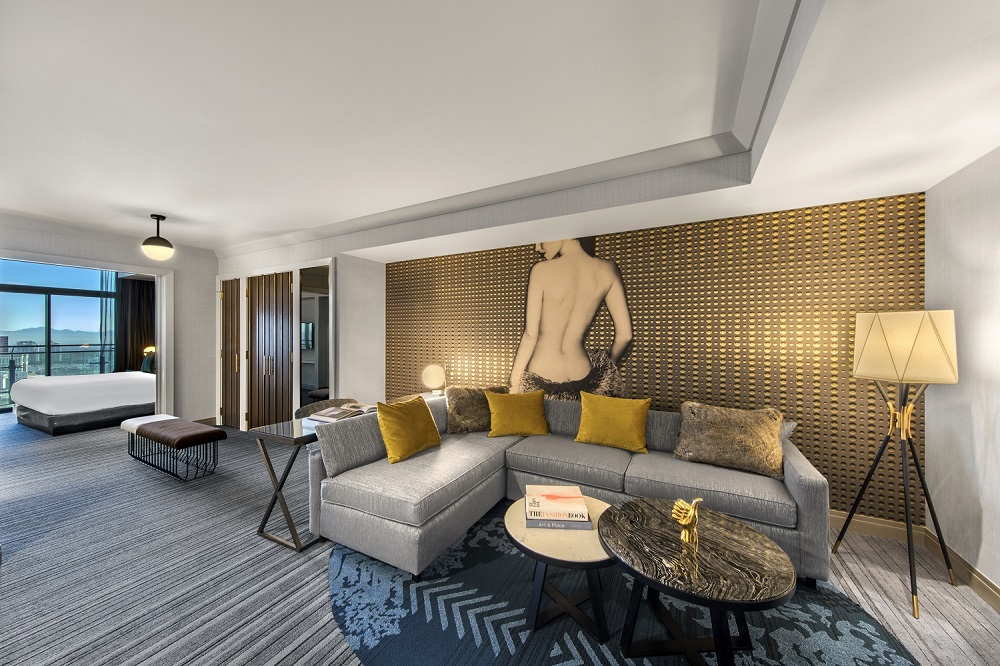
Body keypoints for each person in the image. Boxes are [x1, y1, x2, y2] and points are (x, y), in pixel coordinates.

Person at [509, 238, 633, 400]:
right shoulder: (608, 270)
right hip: (583, 373)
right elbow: (625, 336)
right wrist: (607, 369)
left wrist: (514, 385)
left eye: (542, 239)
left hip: (543, 372)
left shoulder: (541, 270)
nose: (537, 247)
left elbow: (530, 335)